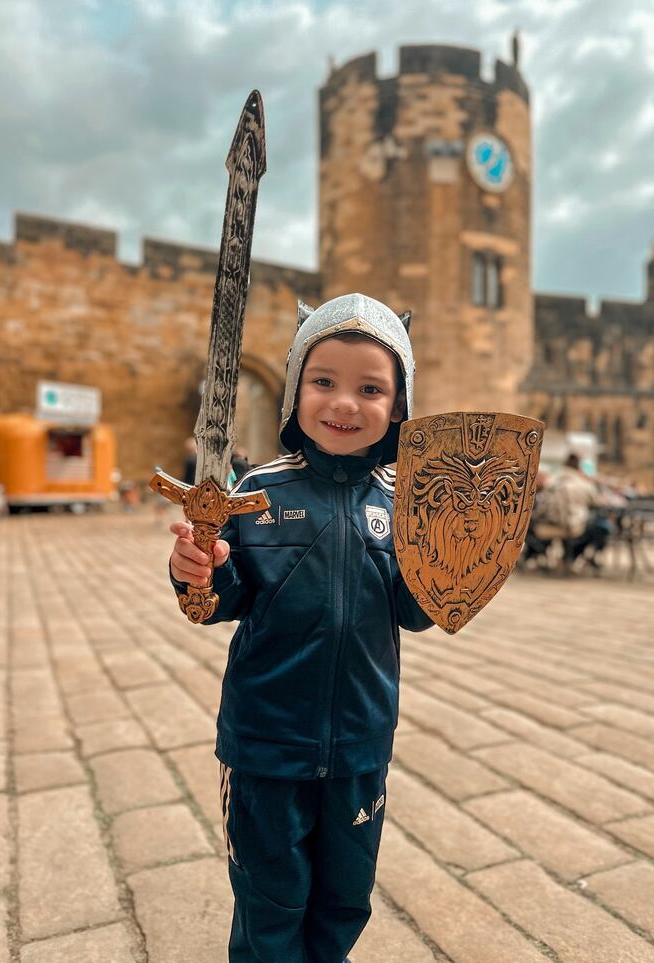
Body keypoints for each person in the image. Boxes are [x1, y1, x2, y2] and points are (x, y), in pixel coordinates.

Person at [168, 293, 433, 963]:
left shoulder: (406, 502)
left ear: (398, 406)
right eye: (324, 381)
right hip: (266, 745)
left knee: (346, 894)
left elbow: (416, 608)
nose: (344, 403)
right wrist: (197, 567)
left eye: (370, 388)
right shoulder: (258, 492)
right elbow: (214, 599)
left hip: (360, 743)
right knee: (270, 897)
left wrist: (462, 565)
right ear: (295, 391)